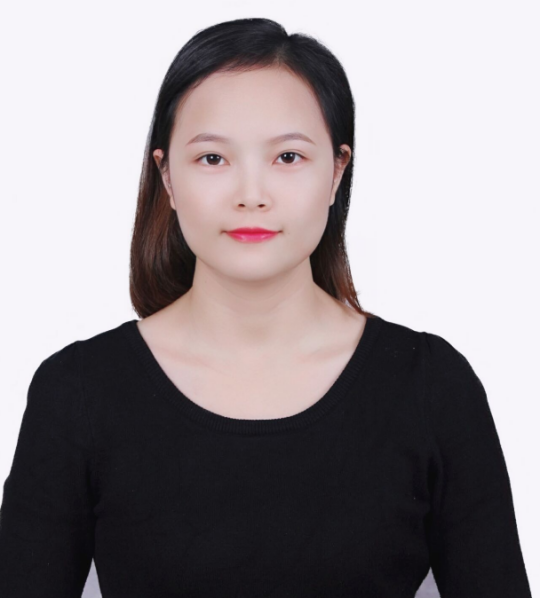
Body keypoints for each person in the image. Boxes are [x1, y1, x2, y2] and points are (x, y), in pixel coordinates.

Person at [0, 17, 532, 598]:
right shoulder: (77, 392)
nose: (251, 194)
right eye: (212, 159)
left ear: (337, 171)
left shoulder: (432, 387)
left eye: (288, 157)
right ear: (167, 177)